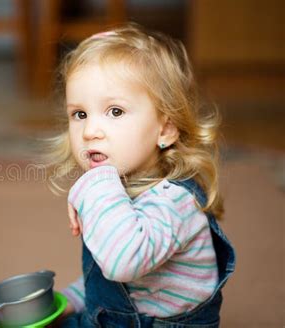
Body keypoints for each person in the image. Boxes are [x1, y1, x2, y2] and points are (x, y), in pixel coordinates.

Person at [45, 23, 236, 327]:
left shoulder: (175, 202)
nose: (90, 131)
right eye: (79, 114)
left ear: (166, 128)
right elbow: (112, 283)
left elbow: (122, 264)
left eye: (115, 111)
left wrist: (95, 185)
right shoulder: (116, 187)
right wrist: (71, 299)